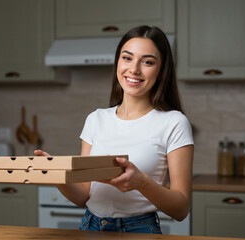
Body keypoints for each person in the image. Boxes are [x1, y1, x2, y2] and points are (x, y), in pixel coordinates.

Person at [34, 25, 194, 234]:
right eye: (127, 58)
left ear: (162, 72)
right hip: (90, 227)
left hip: (140, 230)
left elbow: (181, 209)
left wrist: (142, 183)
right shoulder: (96, 119)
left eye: (147, 62)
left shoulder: (174, 122)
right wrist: (56, 175)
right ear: (118, 62)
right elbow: (83, 195)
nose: (134, 69)